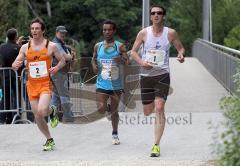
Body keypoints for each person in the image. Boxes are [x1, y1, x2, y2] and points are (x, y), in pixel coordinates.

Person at [130, 5, 185, 157]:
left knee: (159, 107)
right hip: (146, 76)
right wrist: (142, 63)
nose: (156, 15)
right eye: (153, 13)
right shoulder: (143, 33)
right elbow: (133, 52)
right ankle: (156, 108)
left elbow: (180, 48)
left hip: (162, 74)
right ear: (150, 16)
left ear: (164, 16)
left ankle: (156, 145)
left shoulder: (171, 33)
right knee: (148, 112)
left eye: (159, 13)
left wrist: (181, 55)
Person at [12, 17, 66, 151]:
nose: (34, 30)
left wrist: (56, 68)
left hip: (45, 83)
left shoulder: (51, 46)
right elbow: (16, 61)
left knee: (42, 111)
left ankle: (51, 111)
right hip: (31, 84)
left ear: (43, 30)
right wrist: (15, 64)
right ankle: (49, 139)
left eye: (37, 28)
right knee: (37, 115)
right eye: (32, 28)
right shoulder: (25, 47)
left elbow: (63, 60)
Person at [91, 20, 128, 145]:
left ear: (114, 31)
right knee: (101, 109)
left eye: (109, 29)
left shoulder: (120, 46)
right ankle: (108, 109)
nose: (107, 32)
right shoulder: (98, 46)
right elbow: (93, 58)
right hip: (102, 82)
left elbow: (127, 61)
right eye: (104, 30)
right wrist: (94, 66)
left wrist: (121, 59)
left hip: (116, 84)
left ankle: (115, 133)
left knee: (114, 110)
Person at [51, 25, 74, 123]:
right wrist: (71, 55)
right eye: (61, 33)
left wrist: (69, 55)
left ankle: (52, 117)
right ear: (56, 33)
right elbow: (66, 58)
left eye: (64, 33)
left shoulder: (59, 43)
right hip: (59, 73)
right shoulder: (56, 44)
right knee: (64, 95)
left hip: (57, 73)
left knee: (56, 96)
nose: (63, 34)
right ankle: (69, 116)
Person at [0, 28, 21, 124]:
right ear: (15, 36)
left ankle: (7, 118)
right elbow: (20, 62)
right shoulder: (18, 47)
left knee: (6, 97)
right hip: (15, 75)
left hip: (5, 75)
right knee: (17, 97)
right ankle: (17, 117)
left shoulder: (2, 46)